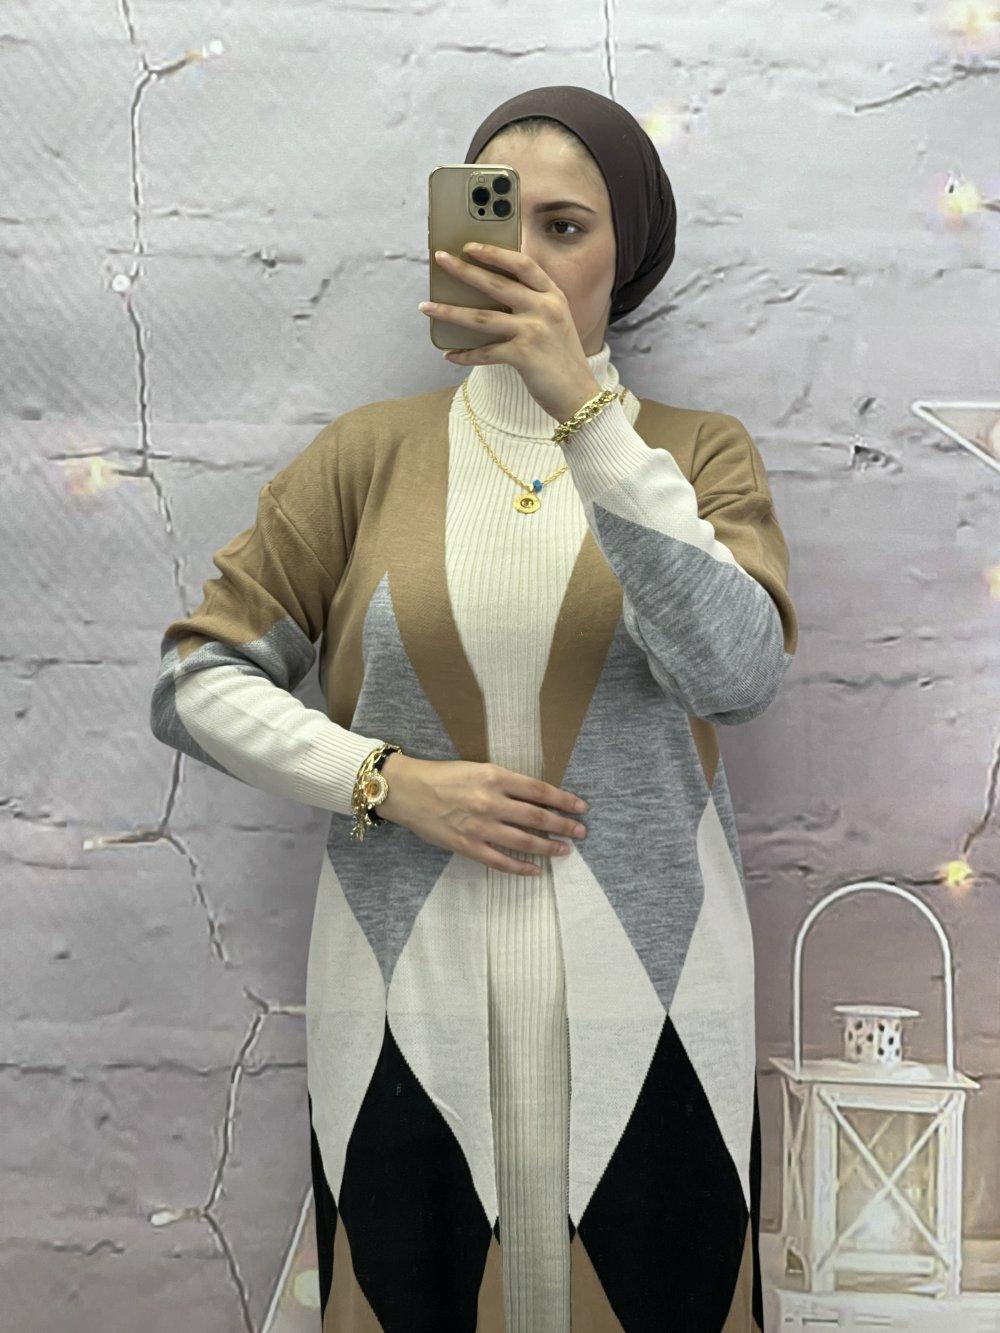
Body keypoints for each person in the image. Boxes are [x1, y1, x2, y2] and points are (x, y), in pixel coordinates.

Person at [150, 84, 797, 1332]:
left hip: (655, 1004)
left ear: (627, 255)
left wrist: (586, 416)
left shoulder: (692, 454)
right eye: (502, 219)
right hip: (406, 999)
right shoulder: (367, 457)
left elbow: (736, 674)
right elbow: (195, 680)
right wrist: (386, 781)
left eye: (568, 226)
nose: (528, 256)